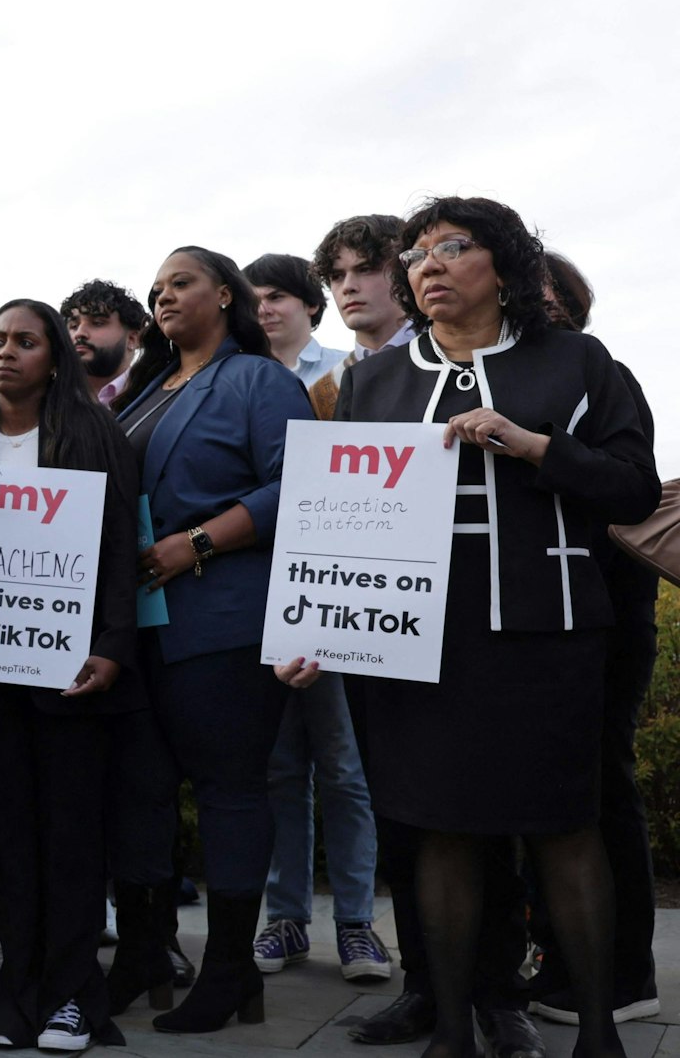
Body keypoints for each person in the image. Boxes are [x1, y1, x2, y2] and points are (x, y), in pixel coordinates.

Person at [316, 197, 657, 1058]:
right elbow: (341, 517)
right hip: (417, 640)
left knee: (563, 826)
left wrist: (532, 444)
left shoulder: (578, 362)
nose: (427, 266)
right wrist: (316, 625)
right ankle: (454, 1030)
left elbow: (633, 488)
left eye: (451, 248)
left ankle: (593, 1032)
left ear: (503, 267)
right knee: (442, 826)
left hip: (547, 631)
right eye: (417, 255)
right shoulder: (372, 381)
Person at [0, 298, 141, 1051]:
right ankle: (17, 991)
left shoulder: (93, 435)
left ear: (54, 358)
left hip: (72, 667)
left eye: (25, 341)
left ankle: (74, 991)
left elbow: (118, 550)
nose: (5, 352)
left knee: (72, 833)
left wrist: (113, 644)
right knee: (4, 833)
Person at [111, 247, 311, 1034]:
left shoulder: (260, 382)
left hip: (222, 617)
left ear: (225, 294)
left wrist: (195, 542)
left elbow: (296, 482)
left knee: (230, 790)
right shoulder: (140, 391)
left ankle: (229, 969)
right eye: (155, 288)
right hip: (138, 628)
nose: (162, 295)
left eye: (180, 282)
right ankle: (143, 953)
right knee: (139, 793)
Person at [234, 254, 390, 984]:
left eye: (278, 296)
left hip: (335, 591)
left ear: (308, 306)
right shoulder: (233, 377)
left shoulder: (344, 375)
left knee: (345, 767)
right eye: (253, 297)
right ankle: (286, 919)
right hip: (255, 593)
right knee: (278, 769)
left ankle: (357, 924)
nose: (264, 308)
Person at [526, 251, 661, 1028]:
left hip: (605, 618)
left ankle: (621, 973)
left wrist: (536, 447)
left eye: (545, 294)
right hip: (548, 624)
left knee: (601, 791)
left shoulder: (598, 372)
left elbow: (626, 482)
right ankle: (562, 954)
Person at [307, 215, 414, 420]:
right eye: (337, 276)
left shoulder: (458, 358)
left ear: (404, 272)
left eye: (365, 269)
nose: (348, 287)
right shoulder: (323, 393)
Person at [244, 253, 346, 387]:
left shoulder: (348, 367)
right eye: (253, 302)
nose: (262, 310)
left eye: (275, 297)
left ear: (312, 303)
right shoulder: (234, 379)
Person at [61, 280, 147, 404]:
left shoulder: (152, 399)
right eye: (74, 326)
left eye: (97, 323)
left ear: (132, 339)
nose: (80, 333)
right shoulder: (46, 400)